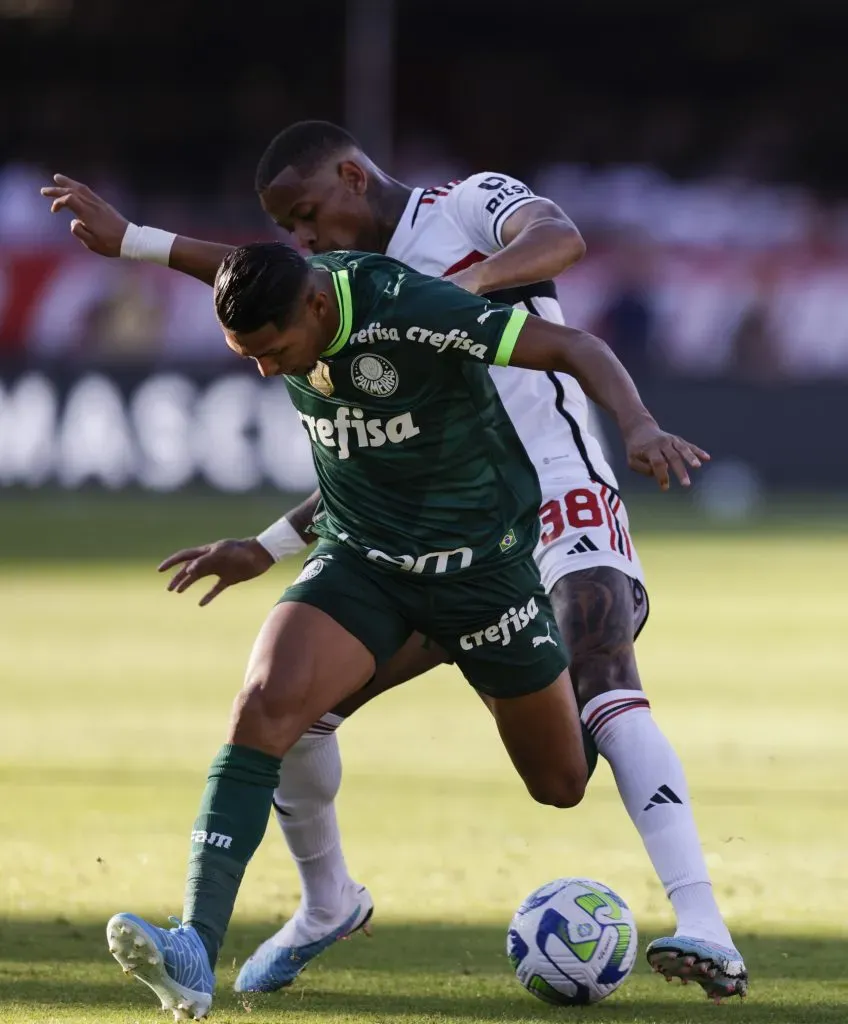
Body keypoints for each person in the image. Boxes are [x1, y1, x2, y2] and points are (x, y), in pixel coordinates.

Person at [41, 122, 745, 1007]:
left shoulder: (460, 212)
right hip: (417, 529)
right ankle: (324, 900)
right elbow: (275, 306)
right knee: (288, 711)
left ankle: (706, 926)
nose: (303, 238)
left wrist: (443, 305)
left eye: (306, 214)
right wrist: (138, 242)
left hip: (554, 482)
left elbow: (559, 238)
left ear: (350, 174)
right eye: (290, 231)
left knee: (597, 690)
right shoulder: (329, 299)